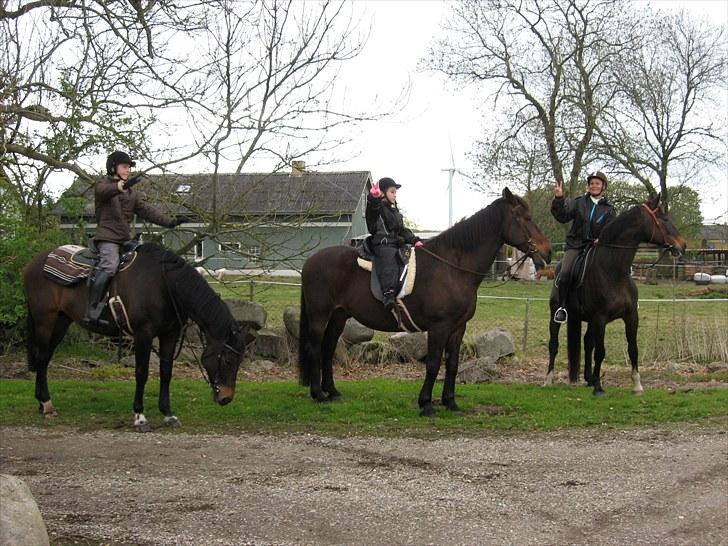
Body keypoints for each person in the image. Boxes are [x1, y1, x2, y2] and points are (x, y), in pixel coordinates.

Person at [84, 151, 188, 326]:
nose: (128, 170)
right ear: (113, 168)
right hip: (108, 238)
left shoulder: (131, 193)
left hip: (125, 239)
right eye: (125, 167)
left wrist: (171, 222)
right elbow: (104, 191)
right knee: (110, 265)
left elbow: (148, 211)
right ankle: (92, 309)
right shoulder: (102, 186)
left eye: (129, 167)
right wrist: (119, 187)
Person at [550, 171, 615, 323]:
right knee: (565, 273)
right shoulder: (579, 203)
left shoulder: (609, 209)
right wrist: (559, 198)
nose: (594, 186)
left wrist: (602, 239)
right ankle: (563, 307)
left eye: (597, 183)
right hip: (576, 245)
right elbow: (562, 216)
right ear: (588, 186)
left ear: (603, 186)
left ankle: (625, 300)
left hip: (598, 247)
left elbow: (612, 230)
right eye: (592, 183)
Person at [365, 177, 423, 311]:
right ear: (383, 193)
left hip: (396, 243)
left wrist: (415, 240)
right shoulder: (377, 207)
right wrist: (374, 199)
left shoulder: (394, 211)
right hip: (382, 244)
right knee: (390, 258)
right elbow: (372, 212)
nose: (395, 195)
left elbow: (401, 230)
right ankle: (388, 295)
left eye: (395, 192)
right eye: (392, 191)